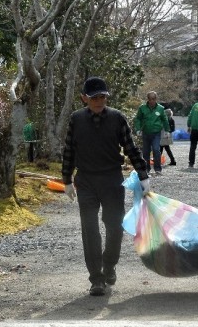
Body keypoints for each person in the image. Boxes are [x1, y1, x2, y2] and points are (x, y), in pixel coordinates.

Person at [61, 77, 150, 296]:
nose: (99, 101)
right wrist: (66, 180)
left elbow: (130, 147)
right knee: (89, 229)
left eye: (103, 97)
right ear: (84, 98)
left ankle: (109, 264)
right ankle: (96, 279)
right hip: (86, 181)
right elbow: (69, 150)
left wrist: (143, 174)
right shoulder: (76, 119)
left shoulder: (117, 118)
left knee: (114, 227)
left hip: (112, 179)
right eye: (94, 98)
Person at [134, 91, 170, 175]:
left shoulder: (160, 108)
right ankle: (146, 169)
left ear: (156, 99)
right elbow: (138, 119)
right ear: (148, 99)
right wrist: (138, 129)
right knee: (146, 151)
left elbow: (164, 120)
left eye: (153, 99)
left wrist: (167, 131)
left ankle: (157, 169)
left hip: (156, 133)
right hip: (145, 132)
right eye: (150, 99)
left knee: (156, 150)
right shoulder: (142, 108)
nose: (152, 101)